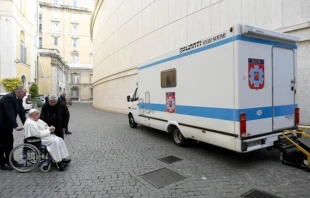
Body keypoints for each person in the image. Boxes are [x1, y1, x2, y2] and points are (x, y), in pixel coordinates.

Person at [0, 86, 27, 170]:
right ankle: (2, 164)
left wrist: (27, 124)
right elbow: (9, 113)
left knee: (9, 143)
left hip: (7, 125)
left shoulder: (19, 98)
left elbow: (21, 112)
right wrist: (15, 126)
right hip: (1, 124)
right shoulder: (9, 98)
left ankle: (10, 161)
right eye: (24, 93)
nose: (25, 95)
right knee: (1, 145)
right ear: (18, 92)